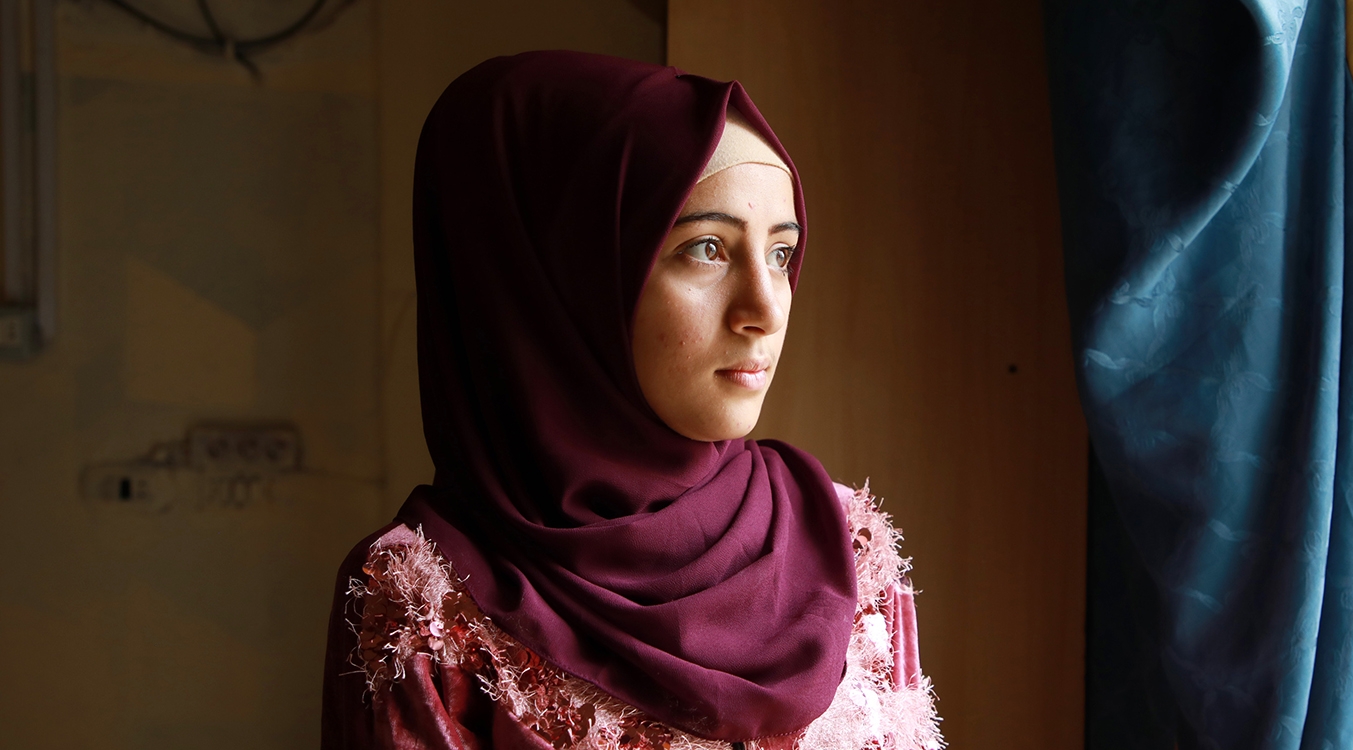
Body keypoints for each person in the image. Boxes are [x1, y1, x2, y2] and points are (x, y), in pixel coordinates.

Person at [320, 50, 942, 750]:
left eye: (780, 253)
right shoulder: (426, 600)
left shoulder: (846, 545)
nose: (765, 309)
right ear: (559, 283)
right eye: (706, 248)